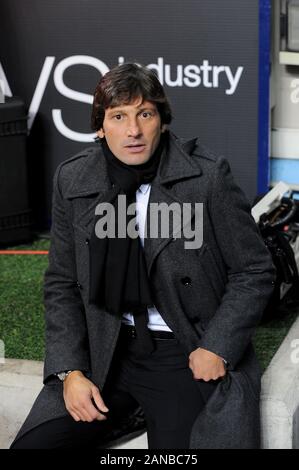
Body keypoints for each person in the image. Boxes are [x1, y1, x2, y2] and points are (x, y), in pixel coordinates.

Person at [10, 63, 276, 449]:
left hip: (181, 349)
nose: (133, 131)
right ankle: (128, 409)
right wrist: (70, 371)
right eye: (118, 117)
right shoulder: (73, 179)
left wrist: (217, 344)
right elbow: (62, 283)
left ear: (162, 121)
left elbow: (254, 270)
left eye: (145, 114)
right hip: (107, 351)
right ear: (101, 127)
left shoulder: (207, 178)